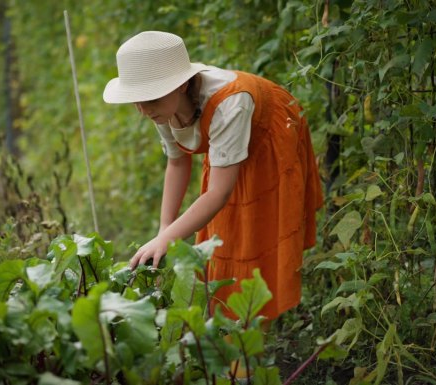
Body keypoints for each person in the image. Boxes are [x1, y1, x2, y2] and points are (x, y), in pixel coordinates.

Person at [103, 31, 323, 321]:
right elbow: (178, 163)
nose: (143, 110)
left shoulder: (230, 103)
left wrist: (168, 238)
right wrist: (164, 230)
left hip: (270, 137)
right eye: (136, 101)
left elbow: (218, 193)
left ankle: (254, 334)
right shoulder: (162, 108)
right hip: (228, 151)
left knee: (258, 235)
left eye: (149, 99)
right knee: (223, 239)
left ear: (181, 85)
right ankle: (228, 327)